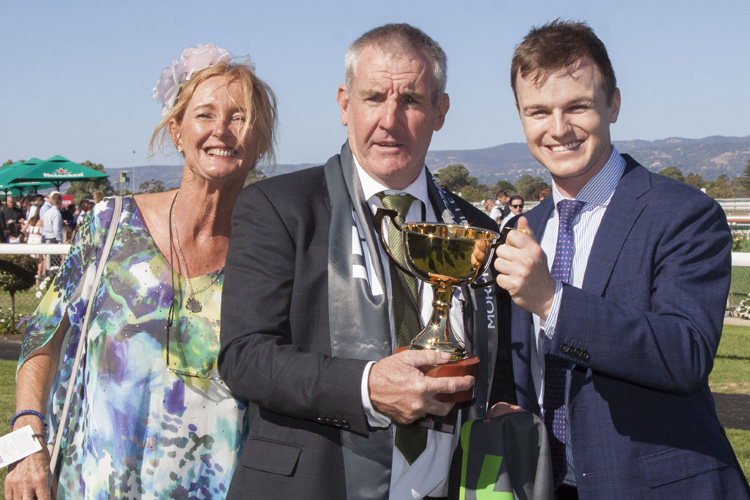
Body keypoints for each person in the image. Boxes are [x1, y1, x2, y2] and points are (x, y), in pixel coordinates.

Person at [219, 23, 514, 500]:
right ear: (344, 104)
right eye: (374, 97)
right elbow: (245, 357)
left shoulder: (476, 231)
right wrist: (366, 386)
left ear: (440, 111)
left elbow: (497, 364)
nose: (390, 120)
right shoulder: (278, 207)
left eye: (412, 101)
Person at [5, 43, 277, 499]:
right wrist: (25, 445)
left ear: (260, 140)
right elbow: (40, 339)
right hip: (93, 486)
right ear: (176, 131)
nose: (223, 131)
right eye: (205, 115)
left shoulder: (270, 253)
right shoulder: (111, 227)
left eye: (240, 117)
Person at [493, 20, 750, 499]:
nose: (558, 128)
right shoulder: (524, 230)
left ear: (613, 103)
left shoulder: (683, 213)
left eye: (578, 106)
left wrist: (552, 301)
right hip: (545, 482)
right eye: (539, 111)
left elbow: (685, 354)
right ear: (520, 115)